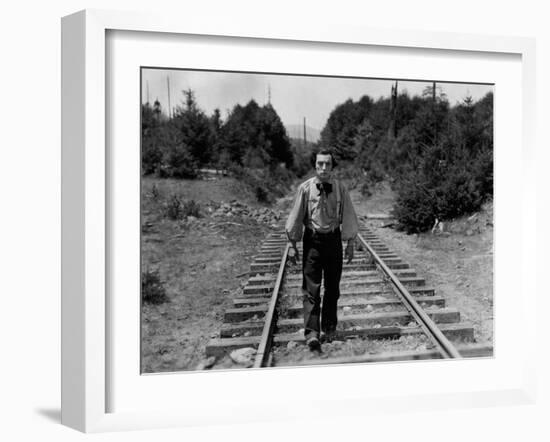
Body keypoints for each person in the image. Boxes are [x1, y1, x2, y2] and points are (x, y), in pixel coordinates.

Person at [285, 149, 359, 352]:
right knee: (311, 289)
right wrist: (292, 244)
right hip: (313, 241)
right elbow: (296, 216)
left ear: (332, 166)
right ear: (315, 166)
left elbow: (349, 216)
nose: (324, 168)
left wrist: (350, 243)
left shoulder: (340, 189)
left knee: (333, 288)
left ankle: (329, 328)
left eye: (327, 164)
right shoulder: (305, 188)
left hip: (333, 240)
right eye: (320, 164)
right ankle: (312, 334)